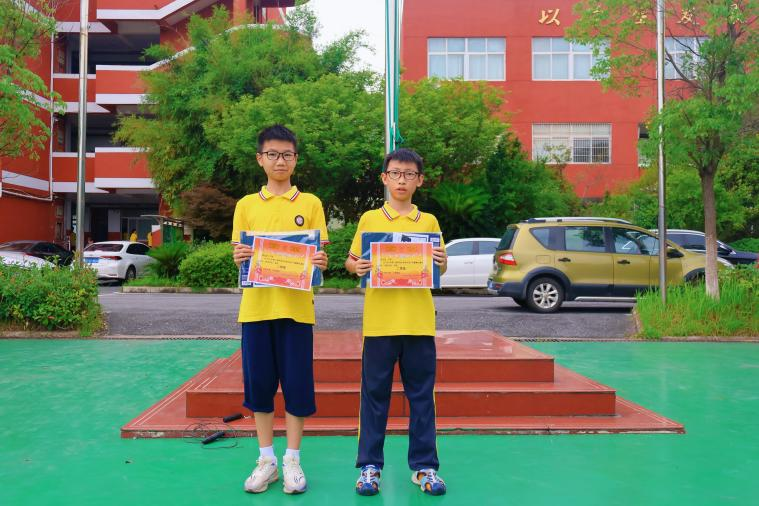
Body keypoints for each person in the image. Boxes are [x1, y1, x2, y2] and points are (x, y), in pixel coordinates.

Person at [231, 125, 329, 495]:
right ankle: (266, 460)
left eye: (287, 154)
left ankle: (292, 460)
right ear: (260, 159)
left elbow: (320, 259)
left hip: (297, 312)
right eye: (272, 154)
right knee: (259, 387)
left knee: (297, 386)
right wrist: (240, 255)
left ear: (296, 159)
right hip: (256, 311)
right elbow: (240, 255)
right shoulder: (246, 205)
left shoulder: (311, 203)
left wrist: (320, 261)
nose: (280, 161)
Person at [345, 148, 448, 496]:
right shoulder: (370, 219)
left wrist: (441, 260)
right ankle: (369, 466)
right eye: (395, 173)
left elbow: (440, 266)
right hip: (379, 325)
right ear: (384, 178)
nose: (402, 180)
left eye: (409, 174)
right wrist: (357, 267)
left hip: (419, 323)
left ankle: (424, 467)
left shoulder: (428, 222)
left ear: (420, 180)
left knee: (422, 398)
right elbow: (351, 261)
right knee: (374, 397)